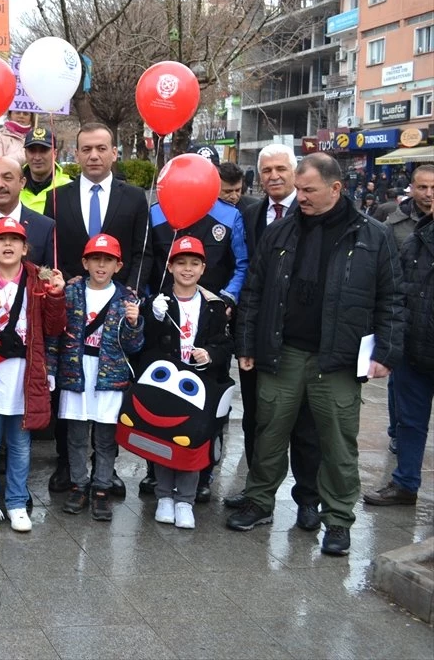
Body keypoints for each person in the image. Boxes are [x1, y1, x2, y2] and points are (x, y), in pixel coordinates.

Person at [227, 153, 403, 557]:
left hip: (338, 360)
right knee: (269, 433)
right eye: (299, 189)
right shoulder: (280, 233)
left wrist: (386, 353)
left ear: (336, 188)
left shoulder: (373, 236)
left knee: (339, 445)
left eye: (308, 190)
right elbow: (253, 293)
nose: (300, 197)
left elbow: (392, 299)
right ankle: (259, 501)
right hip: (283, 353)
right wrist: (247, 345)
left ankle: (338, 520)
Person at [224, 145, 321, 523]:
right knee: (257, 419)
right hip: (258, 334)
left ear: (295, 173)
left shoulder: (313, 211)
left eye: (281, 168)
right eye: (267, 170)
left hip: (301, 337)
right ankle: (257, 492)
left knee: (305, 424)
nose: (274, 176)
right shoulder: (247, 213)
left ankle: (308, 499)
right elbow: (247, 275)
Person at [0, 218, 66, 532]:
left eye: (14, 240)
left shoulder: (40, 281)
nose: (7, 245)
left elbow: (54, 328)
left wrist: (56, 297)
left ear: (25, 248)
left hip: (26, 376)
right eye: (1, 240)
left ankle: (16, 502)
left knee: (22, 445)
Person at [47, 233, 145, 522]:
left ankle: (101, 487)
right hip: (76, 371)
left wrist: (134, 323)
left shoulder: (127, 298)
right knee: (76, 436)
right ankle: (79, 483)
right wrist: (51, 369)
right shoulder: (71, 292)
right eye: (96, 259)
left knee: (105, 437)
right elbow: (55, 334)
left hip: (109, 377)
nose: (101, 266)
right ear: (85, 262)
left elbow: (133, 346)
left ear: (118, 265)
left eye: (108, 260)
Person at [141, 237, 233, 530]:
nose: (187, 269)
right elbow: (146, 344)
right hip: (166, 386)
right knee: (165, 440)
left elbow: (223, 343)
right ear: (170, 267)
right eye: (181, 263)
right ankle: (164, 496)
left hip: (198, 387)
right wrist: (151, 316)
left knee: (192, 443)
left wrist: (210, 355)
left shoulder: (214, 305)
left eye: (194, 263)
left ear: (203, 268)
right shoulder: (159, 302)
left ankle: (186, 500)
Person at [364, 167, 433, 507]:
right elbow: (396, 289)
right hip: (414, 348)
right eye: (424, 187)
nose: (430, 195)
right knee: (408, 421)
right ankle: (405, 483)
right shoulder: (417, 235)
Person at [43, 123, 150, 292]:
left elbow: (143, 252)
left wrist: (131, 289)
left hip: (120, 298)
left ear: (114, 153)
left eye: (101, 148)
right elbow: (50, 249)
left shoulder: (135, 198)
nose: (94, 156)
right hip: (70, 297)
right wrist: (67, 279)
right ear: (77, 155)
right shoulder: (57, 198)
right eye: (86, 149)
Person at [376, 164, 434, 459]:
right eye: (422, 187)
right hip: (408, 327)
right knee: (401, 393)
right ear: (411, 187)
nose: (428, 194)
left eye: (433, 188)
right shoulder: (394, 224)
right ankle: (397, 435)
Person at [18, 125, 72, 214]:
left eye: (43, 150)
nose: (37, 157)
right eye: (32, 150)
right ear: (25, 153)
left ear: (55, 153)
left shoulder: (69, 188)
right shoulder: (14, 185)